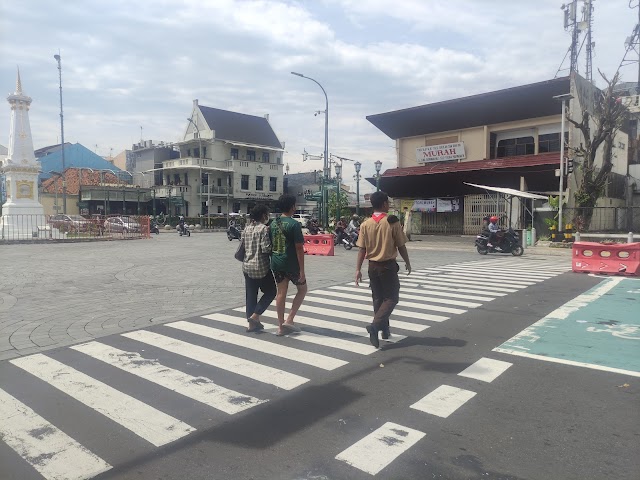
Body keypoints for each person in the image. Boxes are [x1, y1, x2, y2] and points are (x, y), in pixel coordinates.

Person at [355, 191, 411, 348]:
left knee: (379, 299)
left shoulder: (366, 224)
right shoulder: (392, 222)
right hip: (387, 266)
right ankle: (375, 326)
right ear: (385, 204)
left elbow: (361, 249)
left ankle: (384, 330)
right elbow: (401, 245)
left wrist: (358, 269)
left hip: (372, 266)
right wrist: (407, 262)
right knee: (392, 298)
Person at [271, 194, 307, 336]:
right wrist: (302, 270)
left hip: (276, 262)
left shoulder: (273, 223)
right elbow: (299, 249)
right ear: (292, 207)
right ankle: (290, 319)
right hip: (291, 264)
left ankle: (280, 326)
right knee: (302, 289)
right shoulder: (294, 224)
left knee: (281, 293)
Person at [241, 205, 277, 333]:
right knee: (271, 291)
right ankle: (255, 316)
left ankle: (252, 325)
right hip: (261, 267)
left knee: (251, 296)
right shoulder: (263, 229)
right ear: (263, 215)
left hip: (247, 266)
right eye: (267, 214)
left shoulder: (247, 229)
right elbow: (266, 248)